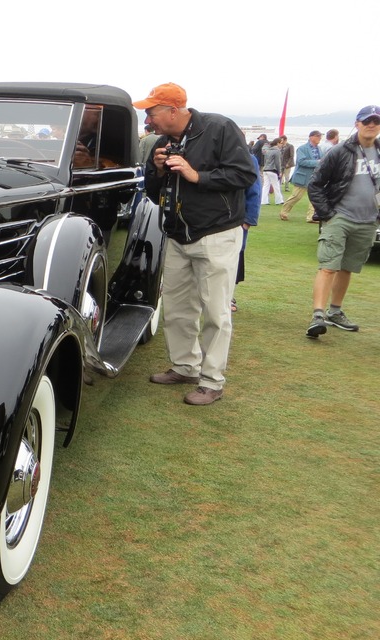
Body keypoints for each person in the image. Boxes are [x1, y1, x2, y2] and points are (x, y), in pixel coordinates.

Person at [136, 82, 257, 405]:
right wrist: (159, 170)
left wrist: (196, 175)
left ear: (173, 110)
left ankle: (212, 381)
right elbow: (151, 191)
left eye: (152, 112)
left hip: (217, 233)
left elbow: (244, 175)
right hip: (178, 235)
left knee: (216, 312)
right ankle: (185, 367)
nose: (148, 119)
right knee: (176, 309)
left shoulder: (219, 128)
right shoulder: (163, 142)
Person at [304, 105, 380, 339]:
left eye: (376, 121)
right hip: (340, 217)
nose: (371, 125)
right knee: (328, 266)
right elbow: (315, 184)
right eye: (366, 120)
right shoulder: (340, 151)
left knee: (348, 267)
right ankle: (318, 315)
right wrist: (328, 213)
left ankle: (335, 311)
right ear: (357, 123)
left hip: (368, 220)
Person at [232, 155, 262, 312]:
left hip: (237, 219)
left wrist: (248, 220)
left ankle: (229, 295)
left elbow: (254, 189)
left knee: (236, 256)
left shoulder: (249, 158)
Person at [279, 131, 323, 222]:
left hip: (315, 177)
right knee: (296, 196)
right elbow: (301, 161)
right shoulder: (302, 148)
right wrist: (317, 162)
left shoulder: (319, 149)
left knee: (314, 198)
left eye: (320, 136)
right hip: (303, 177)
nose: (320, 138)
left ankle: (311, 217)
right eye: (318, 136)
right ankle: (284, 212)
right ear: (311, 137)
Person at [260, 138, 285, 205]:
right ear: (277, 143)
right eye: (281, 143)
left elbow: (265, 160)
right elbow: (277, 162)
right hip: (272, 170)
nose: (282, 145)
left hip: (265, 170)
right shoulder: (277, 151)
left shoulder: (267, 150)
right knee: (276, 185)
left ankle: (264, 201)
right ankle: (279, 200)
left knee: (266, 186)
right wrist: (279, 171)